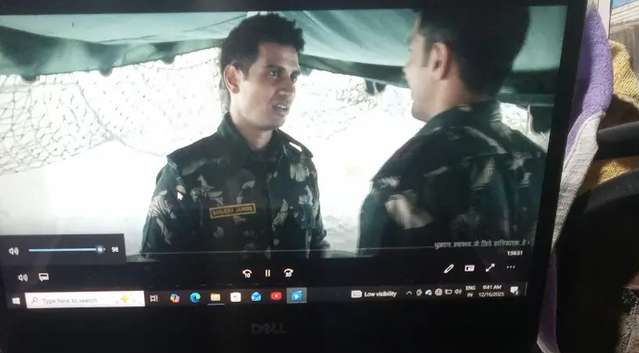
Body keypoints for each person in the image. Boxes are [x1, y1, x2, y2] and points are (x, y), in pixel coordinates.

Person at [357, 4, 545, 252]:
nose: (406, 68)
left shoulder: (405, 177)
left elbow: (375, 277)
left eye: (412, 51)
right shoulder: (540, 161)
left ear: (438, 59)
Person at [141, 14, 327, 256]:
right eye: (274, 73)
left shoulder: (302, 167)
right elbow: (156, 271)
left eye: (293, 77)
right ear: (233, 79)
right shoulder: (185, 176)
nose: (289, 89)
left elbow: (317, 250)